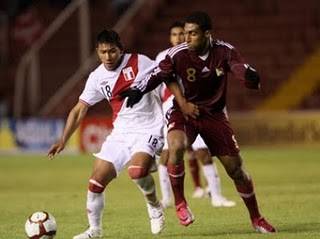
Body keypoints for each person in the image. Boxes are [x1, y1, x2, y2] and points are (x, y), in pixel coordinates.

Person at [120, 11, 276, 233]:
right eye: (185, 33)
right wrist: (138, 89)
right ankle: (181, 203)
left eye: (193, 34)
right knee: (175, 146)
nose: (187, 38)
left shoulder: (224, 51)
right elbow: (159, 73)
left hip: (214, 115)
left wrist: (249, 76)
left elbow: (239, 67)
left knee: (236, 169)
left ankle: (257, 218)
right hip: (184, 112)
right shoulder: (178, 53)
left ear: (207, 34)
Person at [47, 29, 165, 239]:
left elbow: (166, 81)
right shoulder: (97, 77)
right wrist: (63, 139)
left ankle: (155, 206)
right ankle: (94, 230)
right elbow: (79, 109)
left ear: (121, 50)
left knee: (136, 173)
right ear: (97, 52)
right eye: (103, 52)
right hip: (121, 133)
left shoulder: (141, 62)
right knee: (95, 182)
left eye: (112, 51)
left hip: (149, 128)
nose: (108, 57)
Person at [157, 21, 235, 208]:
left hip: (197, 108)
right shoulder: (163, 56)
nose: (178, 38)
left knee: (203, 153)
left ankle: (216, 196)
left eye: (181, 34)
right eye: (174, 35)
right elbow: (157, 84)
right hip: (172, 107)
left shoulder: (192, 54)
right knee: (168, 154)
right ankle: (167, 199)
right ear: (170, 38)